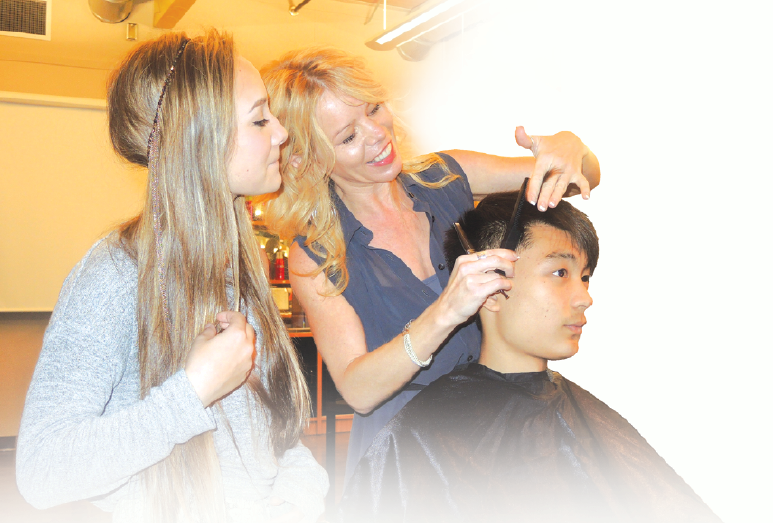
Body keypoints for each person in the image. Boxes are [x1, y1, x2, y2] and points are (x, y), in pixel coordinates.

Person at [15, 31, 327, 523]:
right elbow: (42, 471)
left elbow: (276, 445)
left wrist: (299, 500)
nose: (282, 133)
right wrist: (191, 391)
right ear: (199, 140)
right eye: (259, 118)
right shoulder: (114, 278)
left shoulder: (240, 270)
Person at [259, 47, 601, 481]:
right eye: (347, 137)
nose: (377, 133)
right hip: (407, 455)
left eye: (374, 109)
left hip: (495, 430)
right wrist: (444, 312)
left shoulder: (445, 178)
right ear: (306, 159)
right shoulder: (317, 252)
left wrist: (570, 146)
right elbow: (358, 389)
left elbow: (578, 176)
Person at [337, 191, 722, 523]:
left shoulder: (587, 415)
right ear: (489, 286)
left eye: (584, 276)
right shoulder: (423, 436)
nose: (584, 297)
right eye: (559, 272)